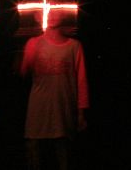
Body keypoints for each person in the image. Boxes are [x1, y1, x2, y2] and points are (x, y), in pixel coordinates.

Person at [20, 9, 89, 170]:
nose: (51, 15)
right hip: (38, 103)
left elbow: (81, 80)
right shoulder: (33, 43)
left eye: (56, 11)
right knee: (33, 144)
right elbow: (23, 72)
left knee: (62, 145)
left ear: (64, 14)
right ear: (38, 16)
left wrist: (81, 113)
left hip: (63, 103)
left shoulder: (74, 46)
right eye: (47, 11)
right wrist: (26, 57)